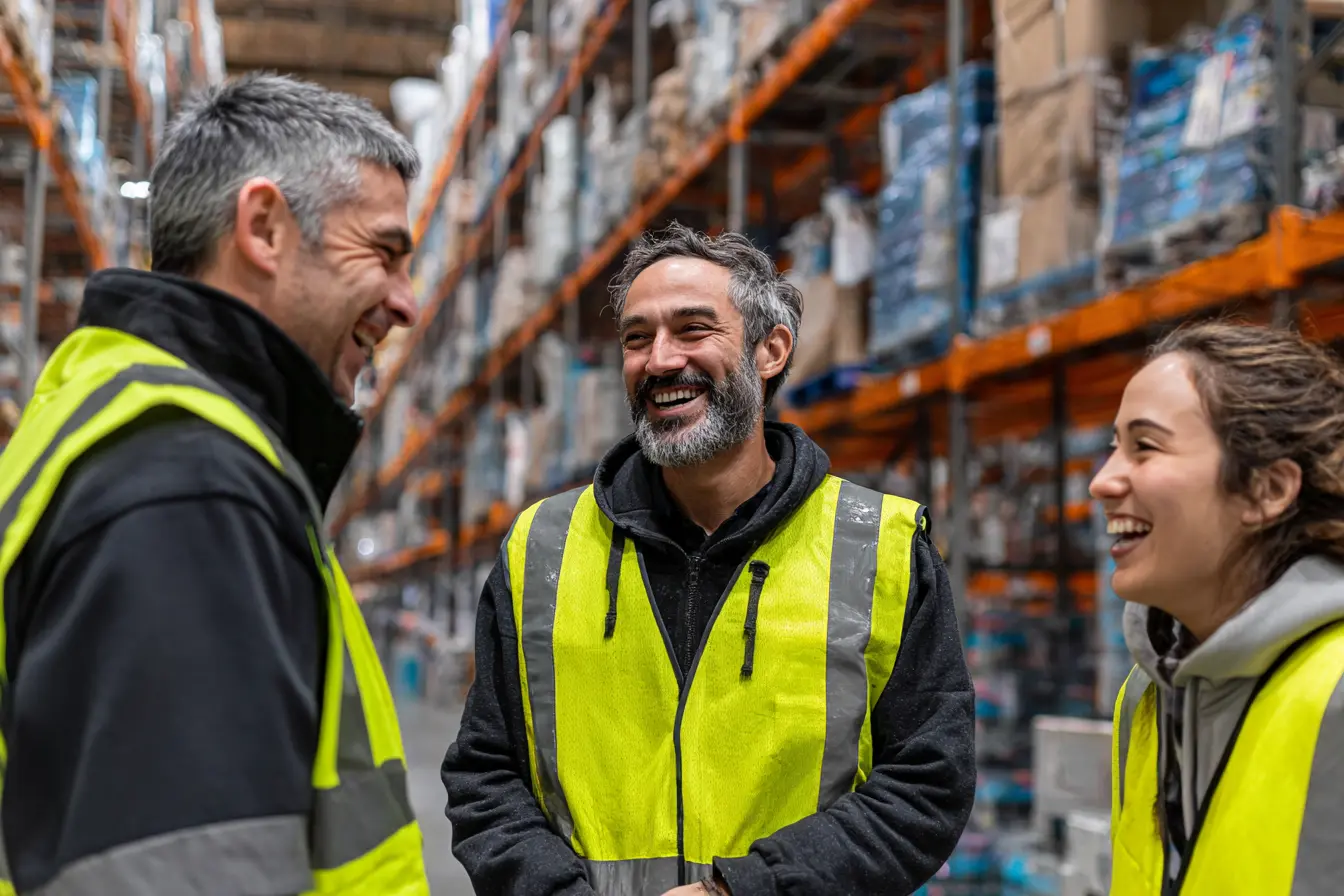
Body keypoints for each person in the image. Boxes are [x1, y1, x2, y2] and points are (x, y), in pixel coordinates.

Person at [442, 223, 975, 896]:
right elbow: (484, 775)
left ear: (770, 351)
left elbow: (927, 787)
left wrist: (745, 890)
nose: (661, 361)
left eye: (693, 330)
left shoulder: (882, 548)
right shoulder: (540, 550)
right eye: (638, 338)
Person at [0, 73, 431, 894]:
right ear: (264, 228)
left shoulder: (149, 430)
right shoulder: (188, 487)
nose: (406, 304)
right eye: (382, 252)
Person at [1092, 321, 1344, 894]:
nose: (1102, 482)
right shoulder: (1147, 694)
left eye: (1145, 447)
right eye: (1113, 448)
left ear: (1266, 490)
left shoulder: (1336, 691)